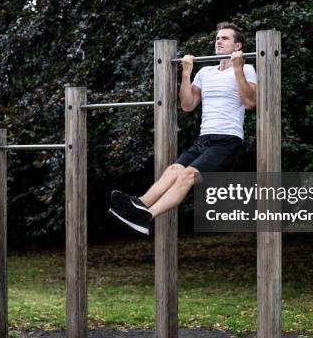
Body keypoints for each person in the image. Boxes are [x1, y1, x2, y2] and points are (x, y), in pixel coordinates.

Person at [108, 22, 257, 235]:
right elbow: (187, 105)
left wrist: (238, 69)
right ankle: (138, 204)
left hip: (227, 139)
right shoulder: (205, 72)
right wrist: (186, 73)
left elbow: (250, 103)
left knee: (187, 175)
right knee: (173, 170)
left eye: (225, 38)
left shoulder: (247, 69)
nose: (218, 41)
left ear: (237, 45)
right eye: (217, 38)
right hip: (204, 138)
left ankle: (147, 218)